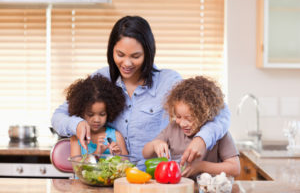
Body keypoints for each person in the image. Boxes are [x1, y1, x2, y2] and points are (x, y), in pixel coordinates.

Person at [51, 15, 231, 170]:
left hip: (155, 180)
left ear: (148, 53)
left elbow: (222, 113)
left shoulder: (168, 81)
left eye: (135, 56)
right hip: (111, 179)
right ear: (111, 51)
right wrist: (76, 124)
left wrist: (202, 138)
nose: (127, 63)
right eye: (120, 54)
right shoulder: (101, 79)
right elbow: (58, 116)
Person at [143, 76, 240, 178]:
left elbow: (235, 168)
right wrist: (155, 144)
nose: (182, 124)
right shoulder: (173, 128)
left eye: (189, 118)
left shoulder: (219, 134)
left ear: (205, 115)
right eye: (178, 116)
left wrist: (201, 166)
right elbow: (146, 153)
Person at [65, 74, 128, 157]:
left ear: (109, 112)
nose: (97, 120)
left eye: (102, 114)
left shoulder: (116, 136)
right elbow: (78, 168)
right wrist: (97, 153)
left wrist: (118, 155)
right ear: (81, 112)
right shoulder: (76, 138)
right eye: (90, 114)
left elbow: (127, 164)